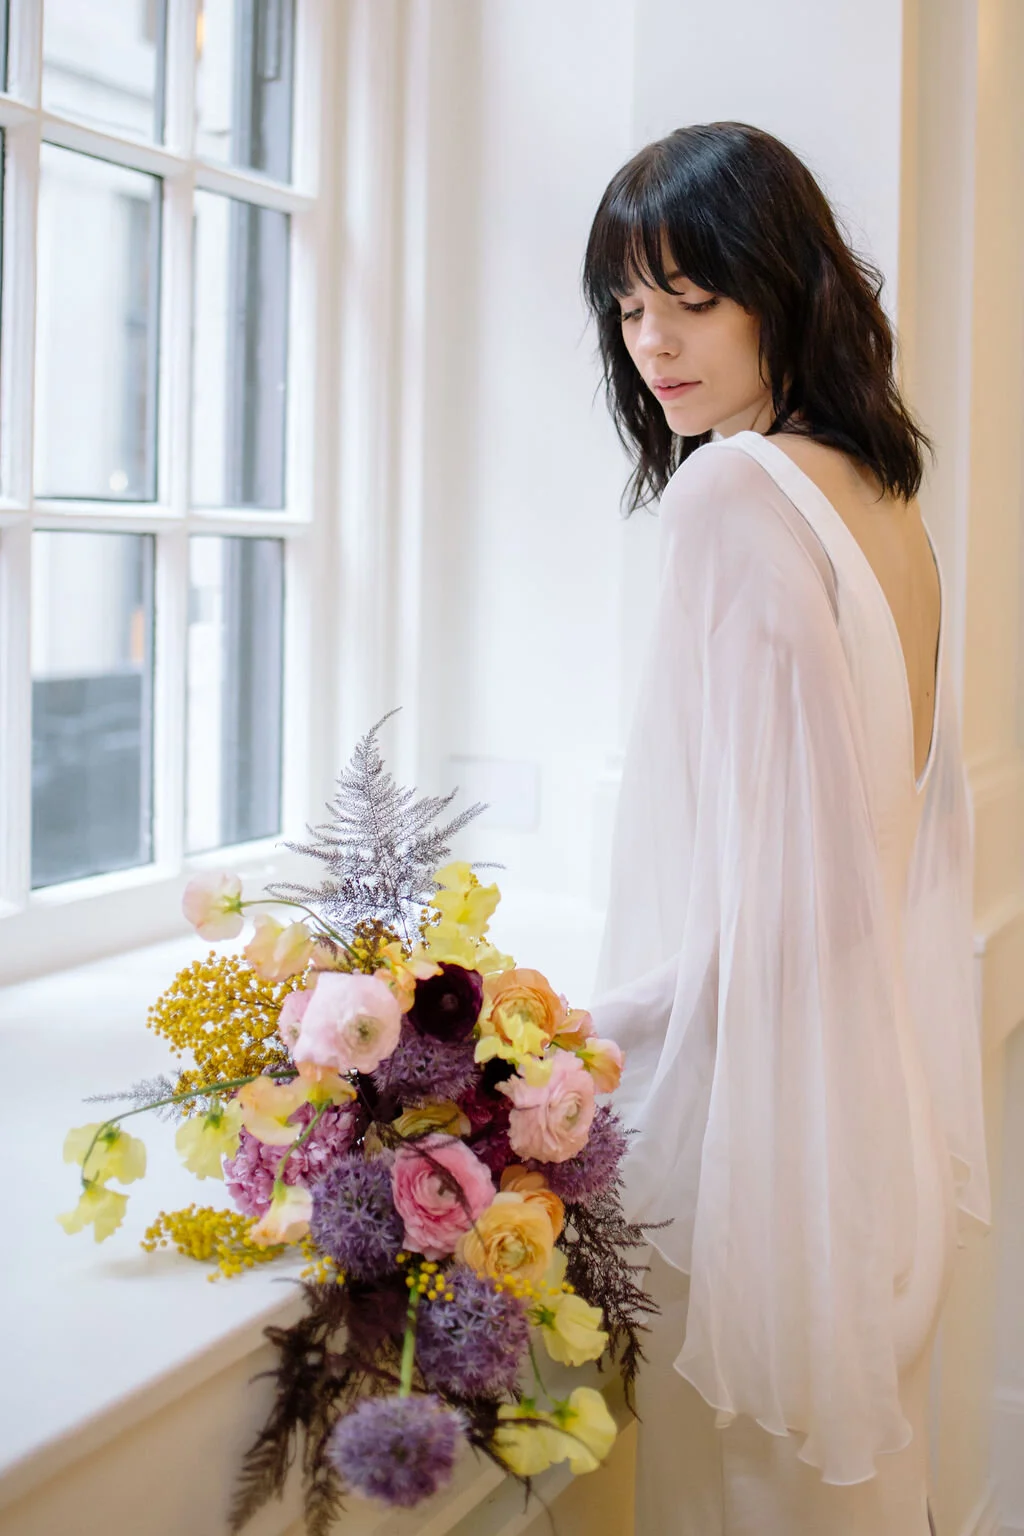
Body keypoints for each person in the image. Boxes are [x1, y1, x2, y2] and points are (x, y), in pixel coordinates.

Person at [582, 122, 991, 1536]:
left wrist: (582, 1030)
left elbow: (792, 896)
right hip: (879, 1115)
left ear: (784, 287)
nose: (653, 341)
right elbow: (895, 856)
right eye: (629, 307)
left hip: (771, 1134)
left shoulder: (735, 495)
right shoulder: (884, 499)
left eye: (692, 298)